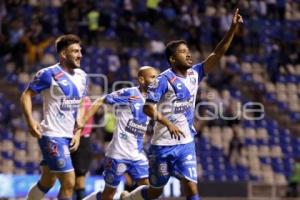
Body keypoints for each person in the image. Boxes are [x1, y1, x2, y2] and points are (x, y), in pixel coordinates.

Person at [121, 8, 243, 200]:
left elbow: (217, 54)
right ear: (172, 59)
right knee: (155, 191)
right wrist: (168, 123)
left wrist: (232, 30)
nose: (188, 55)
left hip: (186, 143)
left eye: (188, 51)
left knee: (192, 190)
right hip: (161, 145)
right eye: (182, 52)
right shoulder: (162, 81)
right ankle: (127, 198)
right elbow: (147, 107)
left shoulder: (195, 74)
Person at [20, 34, 87, 200]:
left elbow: (81, 103)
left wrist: (78, 132)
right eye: (75, 51)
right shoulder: (47, 74)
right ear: (63, 54)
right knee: (69, 182)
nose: (80, 55)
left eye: (80, 51)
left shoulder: (82, 76)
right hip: (52, 135)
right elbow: (26, 96)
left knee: (47, 181)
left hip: (68, 136)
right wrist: (30, 122)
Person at [79, 66, 158, 200]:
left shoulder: (153, 101)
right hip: (118, 154)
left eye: (157, 77)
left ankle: (127, 198)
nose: (156, 81)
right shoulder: (129, 94)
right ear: (141, 79)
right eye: (152, 77)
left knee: (150, 191)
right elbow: (100, 100)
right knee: (108, 196)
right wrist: (82, 122)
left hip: (137, 155)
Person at [71, 96, 94, 200]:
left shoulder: (83, 101)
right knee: (72, 182)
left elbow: (80, 123)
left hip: (82, 142)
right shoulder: (77, 99)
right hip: (75, 141)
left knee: (79, 181)